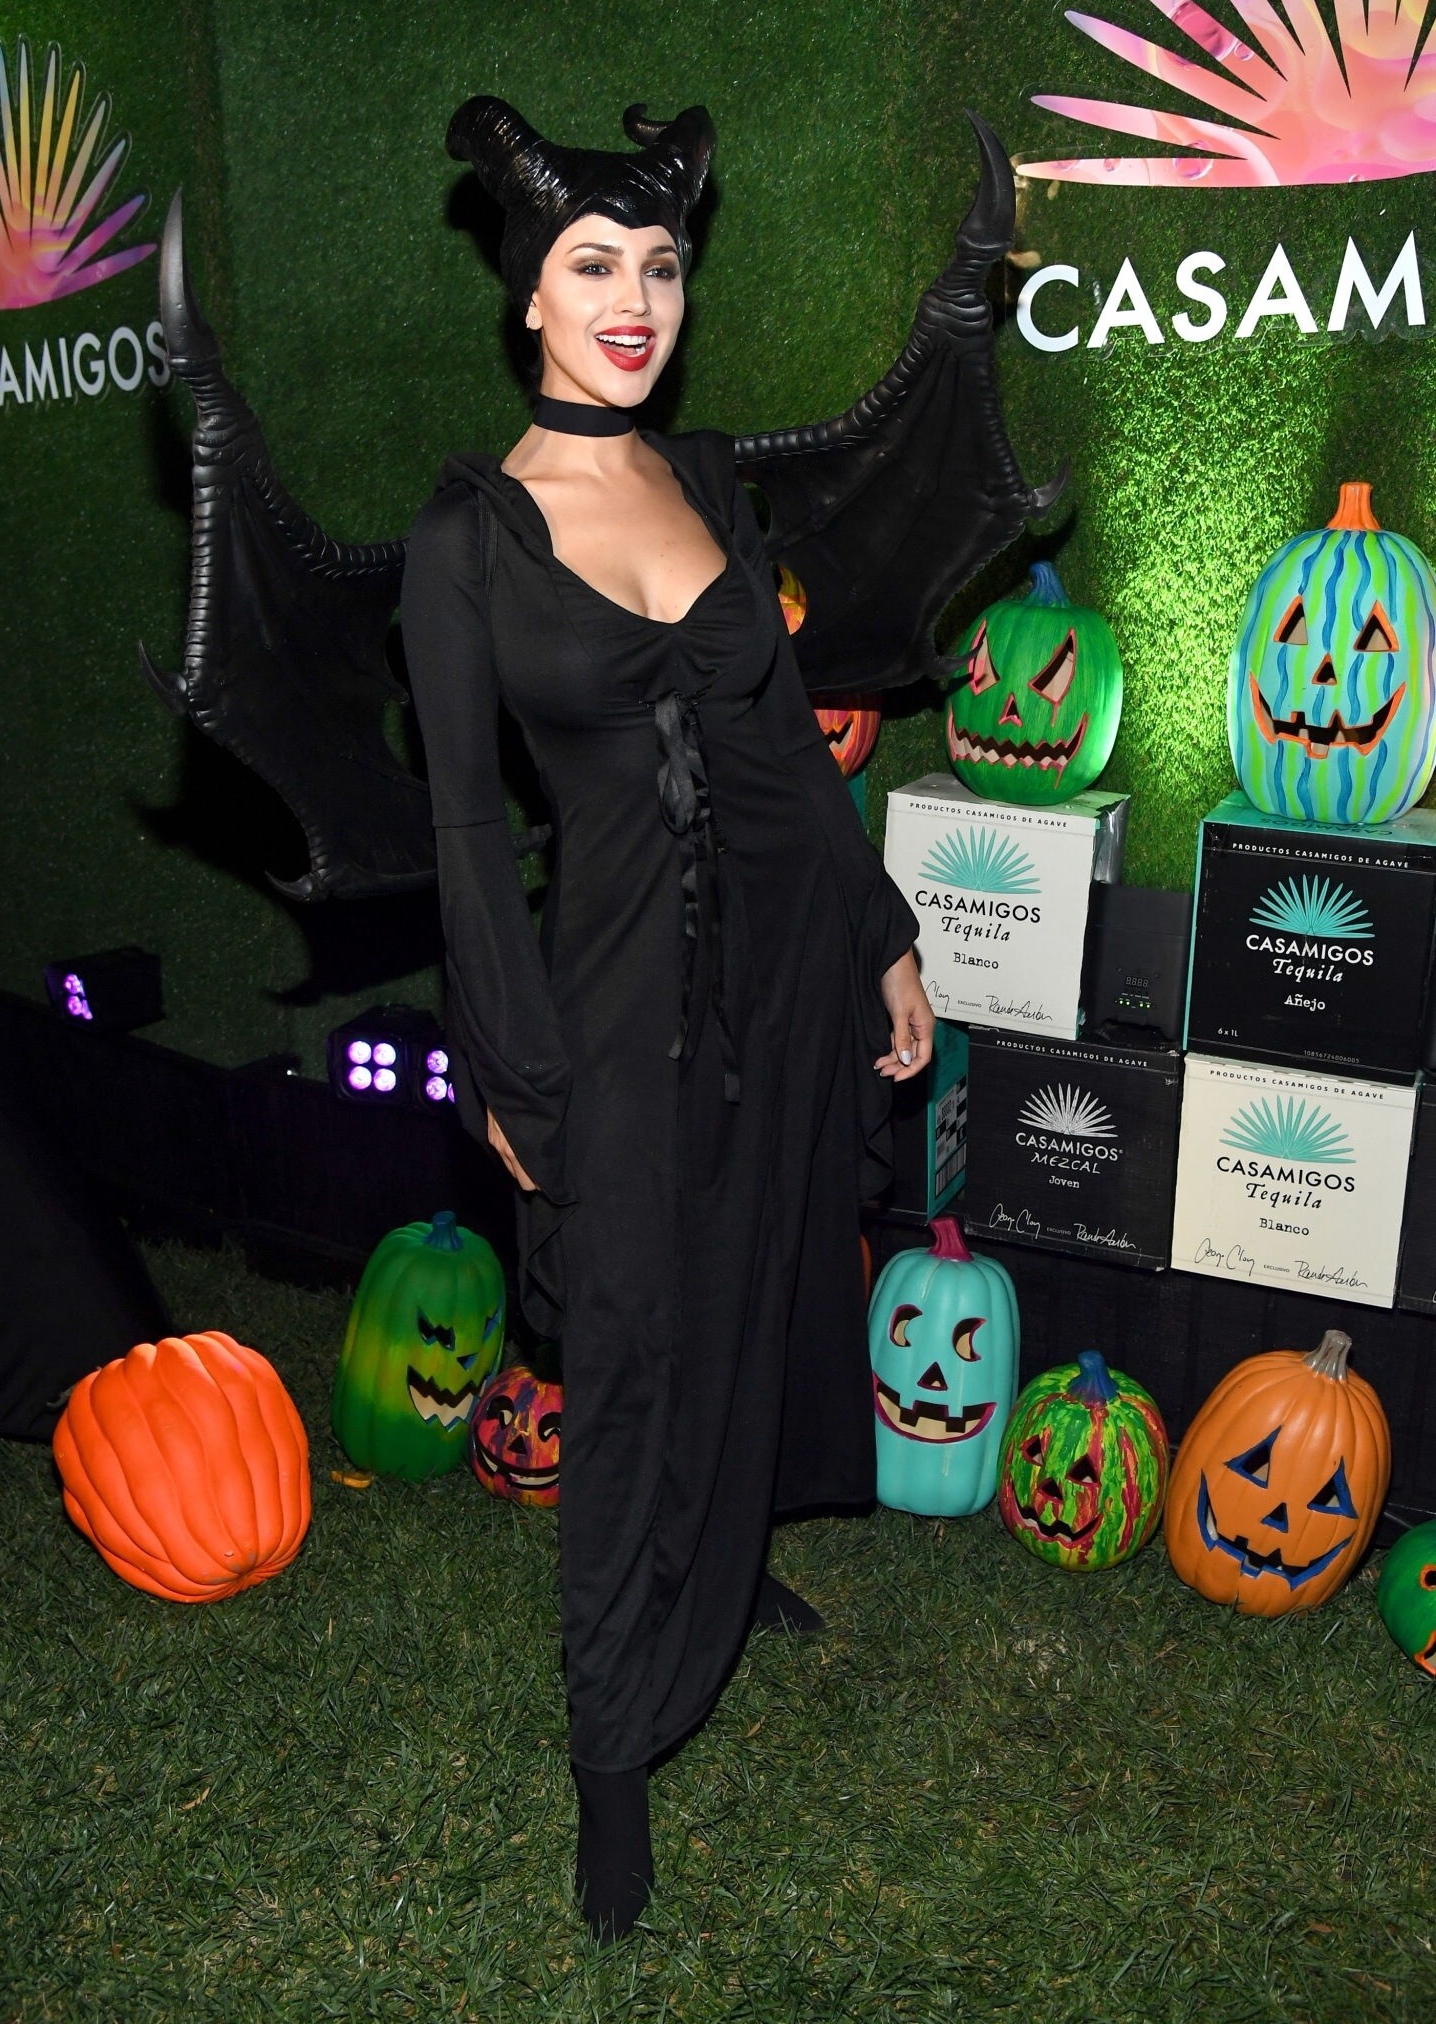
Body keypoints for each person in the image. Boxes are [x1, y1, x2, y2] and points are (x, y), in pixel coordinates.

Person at [398, 95, 934, 1942]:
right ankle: (612, 1750)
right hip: (609, 997)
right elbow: (466, 826)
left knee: (767, 1252)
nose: (633, 302)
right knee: (627, 1343)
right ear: (526, 298)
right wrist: (507, 1055)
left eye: (660, 266)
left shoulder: (704, 480)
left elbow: (779, 752)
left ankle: (732, 1555)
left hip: (777, 968)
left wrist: (879, 940)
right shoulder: (467, 539)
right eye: (592, 267)